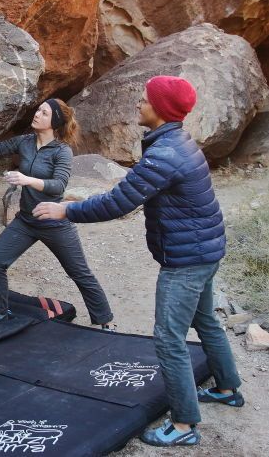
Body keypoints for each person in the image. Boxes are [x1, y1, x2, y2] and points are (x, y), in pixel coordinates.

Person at [34, 76, 243, 447]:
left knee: (168, 338)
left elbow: (118, 202)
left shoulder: (165, 155)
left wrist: (65, 210)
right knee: (206, 320)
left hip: (188, 260)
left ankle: (183, 426)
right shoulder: (176, 140)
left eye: (145, 101)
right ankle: (227, 388)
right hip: (205, 250)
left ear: (161, 110)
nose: (138, 105)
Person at [0, 98, 115, 329]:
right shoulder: (25, 142)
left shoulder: (62, 151)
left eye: (43, 113)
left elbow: (58, 186)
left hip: (54, 222)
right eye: (37, 110)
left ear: (54, 121)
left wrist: (27, 180)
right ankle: (0, 313)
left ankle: (105, 321)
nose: (37, 114)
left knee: (79, 273)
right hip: (25, 221)